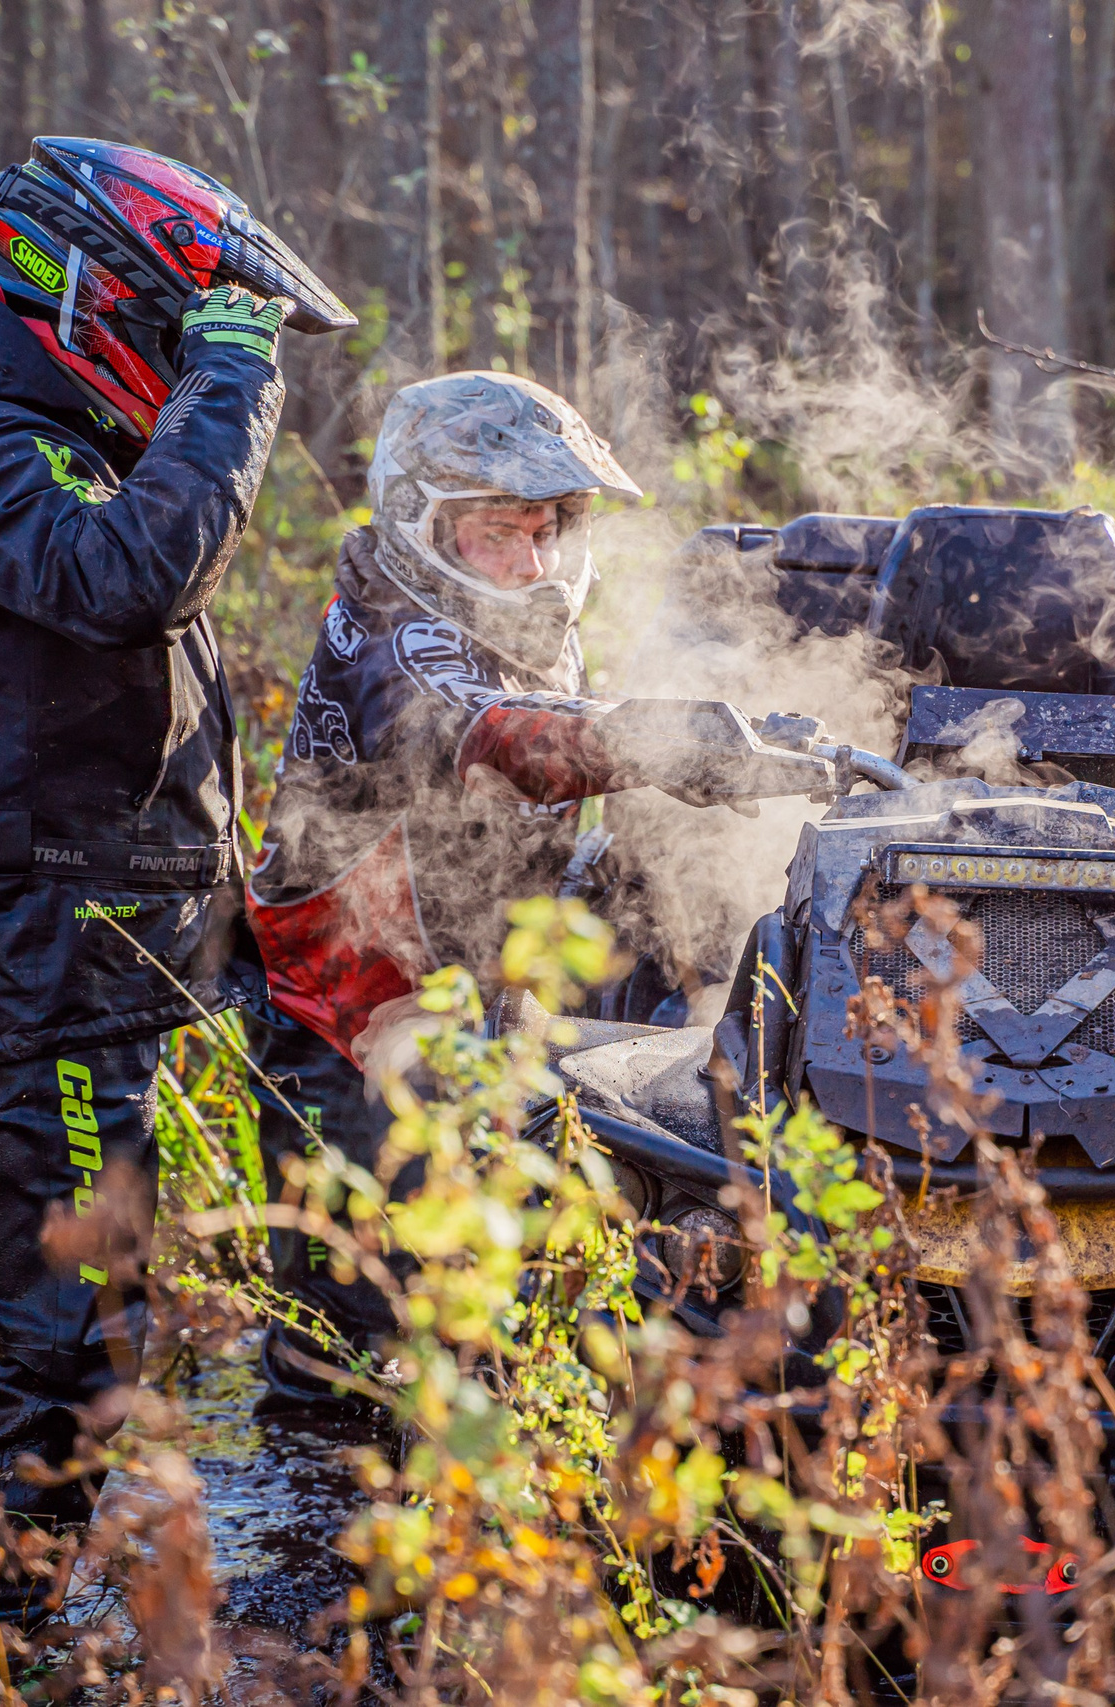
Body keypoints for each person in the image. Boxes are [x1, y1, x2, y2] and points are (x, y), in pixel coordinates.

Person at [0, 135, 351, 1627]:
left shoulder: (19, 438)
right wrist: (235, 376)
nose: (189, 356)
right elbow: (132, 575)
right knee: (43, 1335)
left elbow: (99, 700)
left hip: (56, 962)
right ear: (99, 293)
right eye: (178, 326)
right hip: (11, 971)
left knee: (91, 1333)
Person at [242, 371, 837, 1410]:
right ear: (425, 525)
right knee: (360, 1351)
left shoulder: (503, 628)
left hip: (463, 1020)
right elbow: (506, 740)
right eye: (496, 536)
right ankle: (310, 1552)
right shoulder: (392, 635)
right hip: (346, 1034)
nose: (529, 560)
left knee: (489, 1322)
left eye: (546, 531)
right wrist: (670, 742)